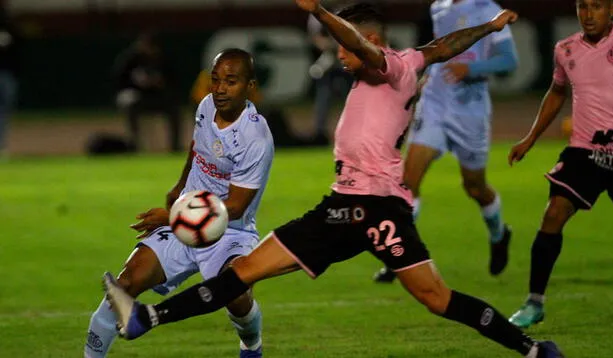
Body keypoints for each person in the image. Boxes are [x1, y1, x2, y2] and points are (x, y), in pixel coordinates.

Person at [103, 2, 562, 356]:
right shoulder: (405, 64)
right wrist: (491, 26)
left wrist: (321, 13)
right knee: (239, 274)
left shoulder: (390, 66)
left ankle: (532, 350)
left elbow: (369, 47)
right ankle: (146, 318)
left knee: (437, 299)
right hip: (341, 207)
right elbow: (444, 47)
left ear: (369, 39)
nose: (339, 56)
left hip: (379, 208)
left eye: (343, 45)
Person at [86, 48, 273, 358]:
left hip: (231, 232)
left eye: (231, 81)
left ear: (250, 86)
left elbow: (236, 207)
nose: (221, 88)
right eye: (215, 80)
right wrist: (179, 186)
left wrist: (173, 215)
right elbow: (197, 146)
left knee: (237, 300)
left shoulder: (256, 137)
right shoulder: (206, 105)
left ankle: (251, 344)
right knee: (125, 284)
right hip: (184, 218)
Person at [507, 0, 613, 329]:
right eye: (583, 6)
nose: (588, 14)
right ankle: (534, 302)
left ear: (612, 8)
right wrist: (530, 138)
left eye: (596, 6)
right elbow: (556, 92)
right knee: (554, 213)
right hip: (584, 151)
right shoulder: (565, 49)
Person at [373, 0, 519, 283]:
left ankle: (499, 234)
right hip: (435, 105)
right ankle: (400, 256)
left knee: (475, 187)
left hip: (470, 111)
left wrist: (472, 70)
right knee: (408, 182)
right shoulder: (437, 7)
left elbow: (509, 60)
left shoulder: (487, 9)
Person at [113, 33, 183, 152]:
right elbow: (119, 83)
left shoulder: (163, 60)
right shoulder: (130, 59)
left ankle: (175, 147)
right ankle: (135, 145)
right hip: (138, 98)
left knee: (174, 108)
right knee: (130, 106)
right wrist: (136, 85)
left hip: (157, 98)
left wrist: (159, 84)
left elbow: (174, 83)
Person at [307, 0, 352, 145]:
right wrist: (330, 46)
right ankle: (320, 133)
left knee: (352, 97)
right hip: (329, 62)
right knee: (324, 98)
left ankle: (355, 130)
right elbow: (316, 38)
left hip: (347, 62)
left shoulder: (347, 9)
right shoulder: (316, 13)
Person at [0, 5, 21, 158]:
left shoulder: (9, 27)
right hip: (7, 75)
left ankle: (1, 147)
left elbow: (19, 48)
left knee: (4, 113)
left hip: (7, 74)